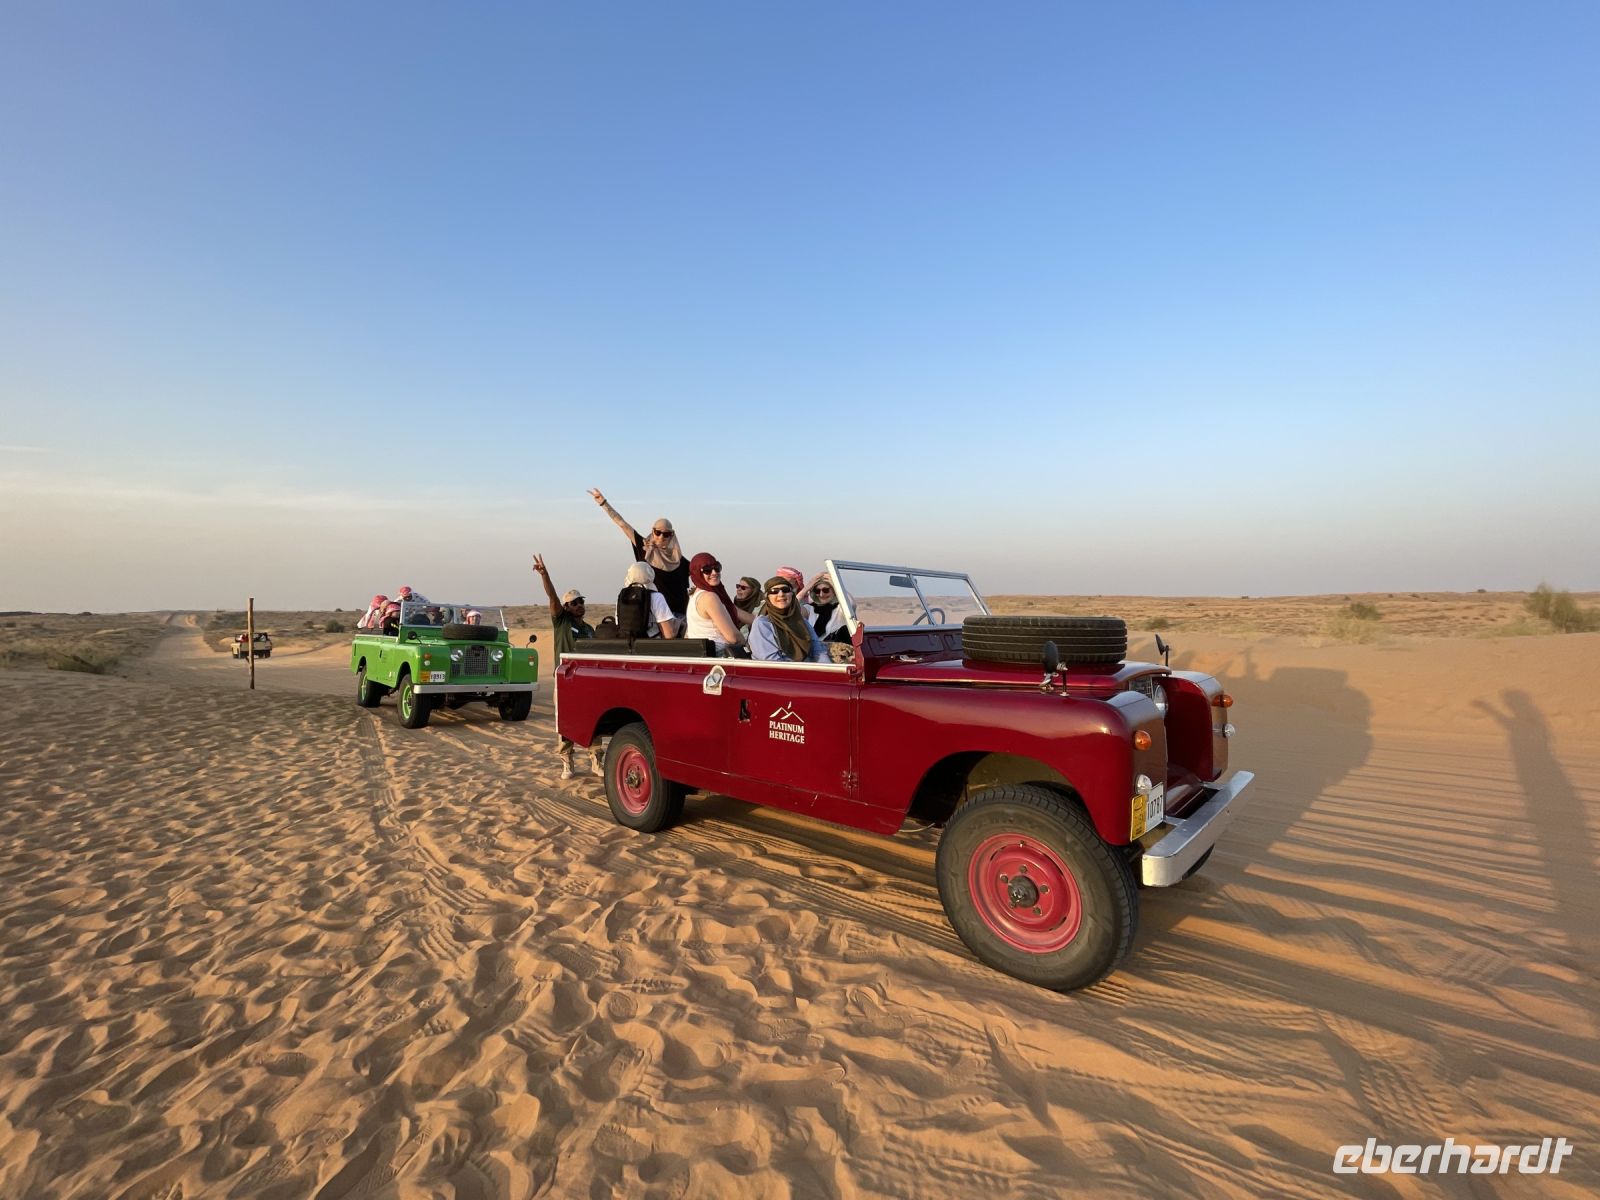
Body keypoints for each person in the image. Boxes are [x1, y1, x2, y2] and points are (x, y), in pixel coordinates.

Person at [533, 554, 602, 780]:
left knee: (593, 718)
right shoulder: (562, 622)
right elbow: (551, 597)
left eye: (581, 601)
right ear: (566, 607)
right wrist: (545, 575)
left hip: (587, 681)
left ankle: (595, 760)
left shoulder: (590, 630)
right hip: (565, 680)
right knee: (565, 720)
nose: (579, 605)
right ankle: (567, 762)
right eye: (574, 603)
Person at [587, 488, 690, 619]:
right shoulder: (644, 548)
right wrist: (604, 503)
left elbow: (701, 574)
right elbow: (622, 524)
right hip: (654, 615)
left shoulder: (680, 560)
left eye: (666, 534)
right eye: (658, 532)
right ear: (653, 532)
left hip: (680, 617)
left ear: (672, 535)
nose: (661, 537)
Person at [749, 577, 831, 663]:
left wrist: (829, 671)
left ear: (792, 594)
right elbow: (771, 661)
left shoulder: (802, 622)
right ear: (767, 597)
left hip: (808, 670)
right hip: (782, 673)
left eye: (785, 590)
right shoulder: (762, 624)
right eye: (774, 591)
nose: (781, 594)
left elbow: (818, 651)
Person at [683, 553, 746, 656]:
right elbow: (733, 638)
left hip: (703, 657)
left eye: (717, 568)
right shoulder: (709, 597)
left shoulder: (694, 597)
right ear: (697, 573)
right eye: (707, 570)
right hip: (720, 657)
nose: (714, 573)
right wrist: (747, 645)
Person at [620, 562, 680, 639]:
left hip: (628, 646)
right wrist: (679, 623)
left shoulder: (622, 597)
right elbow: (669, 635)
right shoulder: (656, 597)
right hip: (651, 646)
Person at [805, 572, 850, 642]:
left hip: (836, 650)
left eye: (826, 590)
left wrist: (836, 583)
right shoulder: (810, 608)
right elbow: (791, 609)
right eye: (817, 591)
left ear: (834, 590)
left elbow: (850, 604)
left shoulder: (840, 608)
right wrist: (808, 587)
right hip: (815, 650)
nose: (821, 594)